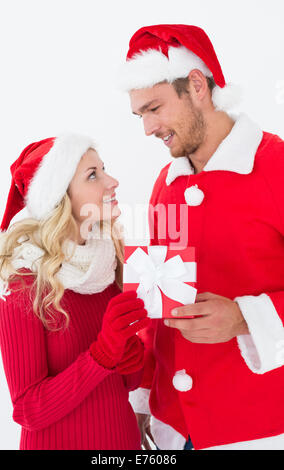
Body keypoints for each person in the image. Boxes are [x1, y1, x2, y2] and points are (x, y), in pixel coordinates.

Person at [120, 24, 284, 450]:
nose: (148, 128)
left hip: (257, 426)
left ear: (197, 85)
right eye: (140, 115)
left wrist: (245, 317)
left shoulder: (276, 166)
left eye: (154, 108)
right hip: (173, 430)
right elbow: (159, 305)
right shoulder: (164, 185)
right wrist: (141, 401)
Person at [0, 134, 150, 450]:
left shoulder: (108, 264)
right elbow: (28, 411)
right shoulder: (24, 284)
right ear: (58, 196)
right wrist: (102, 355)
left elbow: (126, 384)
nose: (112, 181)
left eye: (104, 169)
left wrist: (130, 360)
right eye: (93, 175)